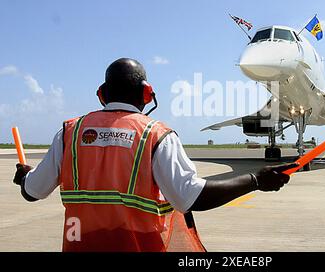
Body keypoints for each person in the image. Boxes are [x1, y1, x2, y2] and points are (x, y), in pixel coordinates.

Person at [12, 58, 296, 252]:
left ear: (101, 93)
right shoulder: (156, 135)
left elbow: (33, 192)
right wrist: (255, 180)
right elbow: (190, 197)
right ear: (148, 93)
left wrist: (25, 176)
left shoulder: (69, 133)